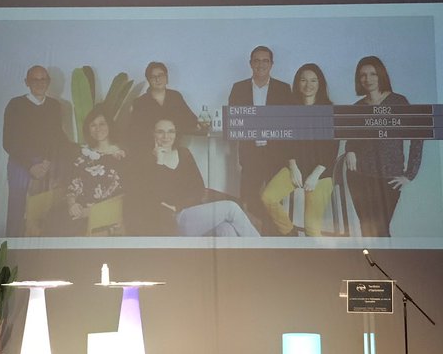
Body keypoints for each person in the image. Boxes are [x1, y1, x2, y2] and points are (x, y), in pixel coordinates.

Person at [127, 118, 260, 237]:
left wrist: (179, 205)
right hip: (173, 220)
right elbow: (156, 196)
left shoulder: (184, 153)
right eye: (160, 132)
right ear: (153, 134)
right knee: (231, 208)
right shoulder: (147, 160)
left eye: (171, 131)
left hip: (191, 212)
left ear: (176, 133)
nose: (166, 136)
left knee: (226, 229)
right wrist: (159, 161)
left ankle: (244, 257)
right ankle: (262, 249)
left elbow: (199, 188)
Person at [344, 56, 423, 238]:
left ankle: (384, 257)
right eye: (363, 75)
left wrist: (410, 174)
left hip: (389, 176)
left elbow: (417, 137)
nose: (368, 79)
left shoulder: (398, 102)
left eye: (373, 74)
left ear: (381, 75)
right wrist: (350, 150)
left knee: (381, 230)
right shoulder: (357, 107)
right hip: (359, 176)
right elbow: (353, 138)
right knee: (367, 229)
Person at [260, 63, 338, 236]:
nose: (308, 85)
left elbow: (331, 149)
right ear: (297, 83)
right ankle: (290, 232)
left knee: (312, 229)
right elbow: (286, 144)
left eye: (313, 80)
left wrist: (315, 175)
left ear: (320, 84)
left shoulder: (329, 111)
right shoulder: (290, 110)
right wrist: (293, 167)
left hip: (321, 173)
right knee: (267, 198)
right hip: (296, 167)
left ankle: (311, 249)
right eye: (303, 80)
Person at [227, 45, 293, 229]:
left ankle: (274, 234)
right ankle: (253, 233)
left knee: (273, 200)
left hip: (276, 154)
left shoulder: (283, 89)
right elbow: (234, 119)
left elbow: (288, 122)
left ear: (271, 64)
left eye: (265, 61)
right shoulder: (238, 88)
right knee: (249, 197)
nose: (261, 64)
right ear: (250, 63)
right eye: (256, 60)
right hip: (250, 153)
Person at [2, 65, 67, 237]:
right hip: (21, 163)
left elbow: (58, 137)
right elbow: (8, 142)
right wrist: (30, 166)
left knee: (43, 212)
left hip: (46, 163)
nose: (40, 83)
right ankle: (12, 249)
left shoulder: (54, 106)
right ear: (26, 82)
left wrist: (47, 162)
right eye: (34, 79)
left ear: (48, 82)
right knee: (17, 210)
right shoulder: (15, 104)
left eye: (43, 79)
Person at [51, 105, 127, 235]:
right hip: (76, 209)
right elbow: (73, 184)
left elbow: (120, 195)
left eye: (102, 124)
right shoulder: (83, 153)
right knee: (53, 216)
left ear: (109, 125)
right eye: (93, 125)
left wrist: (86, 213)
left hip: (100, 214)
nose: (98, 129)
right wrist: (72, 204)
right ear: (89, 130)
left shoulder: (121, 156)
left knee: (68, 229)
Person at [127, 61, 201, 154]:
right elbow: (135, 132)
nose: (158, 79)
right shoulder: (140, 102)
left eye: (161, 75)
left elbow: (190, 119)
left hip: (174, 147)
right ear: (149, 80)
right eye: (153, 77)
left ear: (167, 78)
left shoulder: (175, 97)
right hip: (149, 150)